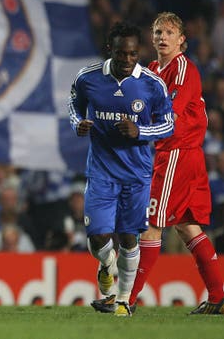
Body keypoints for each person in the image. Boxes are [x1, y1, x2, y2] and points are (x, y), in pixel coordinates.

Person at [92, 12, 224, 315]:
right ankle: (218, 296)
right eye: (157, 32)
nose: (162, 37)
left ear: (182, 40)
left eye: (169, 32)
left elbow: (169, 115)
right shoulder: (152, 69)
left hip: (177, 154)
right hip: (176, 154)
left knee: (151, 226)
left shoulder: (183, 69)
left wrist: (135, 125)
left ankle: (127, 298)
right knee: (187, 227)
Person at [68, 21, 174, 316]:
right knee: (97, 237)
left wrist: (140, 131)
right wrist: (79, 123)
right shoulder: (88, 78)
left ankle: (123, 299)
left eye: (133, 54)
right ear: (109, 51)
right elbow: (73, 103)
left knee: (129, 238)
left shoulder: (152, 85)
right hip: (102, 172)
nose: (128, 60)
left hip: (137, 175)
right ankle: (106, 265)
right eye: (121, 54)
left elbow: (168, 124)